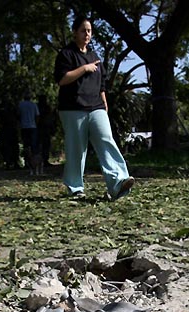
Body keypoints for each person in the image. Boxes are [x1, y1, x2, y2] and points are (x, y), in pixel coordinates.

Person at [54, 15, 134, 200]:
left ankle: (118, 182)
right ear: (75, 32)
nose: (87, 34)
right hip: (73, 108)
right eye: (83, 30)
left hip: (96, 106)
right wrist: (84, 69)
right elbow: (62, 79)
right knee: (76, 149)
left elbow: (102, 83)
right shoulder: (66, 54)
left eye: (89, 31)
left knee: (106, 140)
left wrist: (104, 100)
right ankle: (75, 188)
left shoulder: (94, 56)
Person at [18, 92, 40, 175]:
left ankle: (28, 164)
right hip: (33, 127)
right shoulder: (33, 105)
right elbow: (37, 115)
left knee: (26, 146)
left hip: (24, 127)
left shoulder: (21, 105)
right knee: (34, 147)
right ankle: (35, 165)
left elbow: (18, 115)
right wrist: (35, 124)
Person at [37, 94, 56, 167]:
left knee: (44, 145)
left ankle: (44, 160)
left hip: (43, 128)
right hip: (43, 128)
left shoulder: (43, 107)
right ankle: (43, 160)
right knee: (44, 145)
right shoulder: (45, 108)